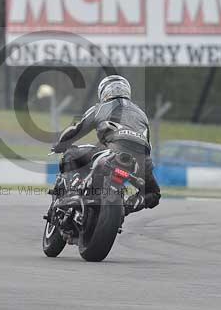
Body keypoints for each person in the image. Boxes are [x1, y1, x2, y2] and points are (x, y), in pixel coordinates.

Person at [51, 75, 161, 214]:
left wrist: (61, 144)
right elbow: (148, 144)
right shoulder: (142, 114)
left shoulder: (101, 108)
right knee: (153, 193)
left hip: (112, 151)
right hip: (140, 160)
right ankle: (125, 208)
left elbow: (76, 130)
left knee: (71, 153)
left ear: (103, 92)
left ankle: (72, 193)